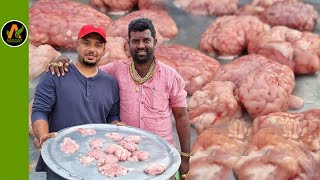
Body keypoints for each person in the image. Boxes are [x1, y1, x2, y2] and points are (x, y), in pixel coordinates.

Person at [49, 18, 191, 179]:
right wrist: (64, 60)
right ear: (129, 43)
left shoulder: (171, 77)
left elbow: (181, 116)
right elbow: (86, 72)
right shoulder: (116, 69)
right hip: (125, 158)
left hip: (161, 157)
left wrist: (185, 157)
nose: (140, 45)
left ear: (155, 42)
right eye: (135, 41)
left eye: (146, 40)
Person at [31, 24, 122, 180]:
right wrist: (42, 136)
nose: (92, 49)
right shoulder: (55, 74)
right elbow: (40, 110)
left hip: (96, 164)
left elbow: (112, 116)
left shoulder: (111, 83)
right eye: (86, 43)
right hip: (59, 161)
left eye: (97, 45)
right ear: (77, 44)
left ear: (103, 49)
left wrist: (117, 125)